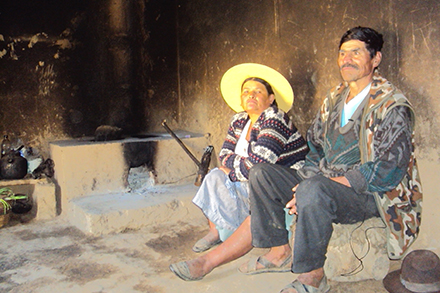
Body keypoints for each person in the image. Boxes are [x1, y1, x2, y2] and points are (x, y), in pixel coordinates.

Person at [248, 26, 423, 293]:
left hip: (371, 194)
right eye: (342, 53)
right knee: (261, 174)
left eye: (356, 52)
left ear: (375, 59)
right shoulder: (334, 99)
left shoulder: (391, 105)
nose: (346, 59)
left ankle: (313, 275)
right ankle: (279, 250)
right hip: (326, 182)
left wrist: (321, 185)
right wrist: (306, 180)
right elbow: (315, 146)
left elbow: (390, 169)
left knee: (314, 189)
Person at [169, 63, 308, 280]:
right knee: (215, 174)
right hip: (252, 180)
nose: (250, 95)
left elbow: (259, 164)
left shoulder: (275, 118)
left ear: (271, 98)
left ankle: (205, 264)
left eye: (257, 91)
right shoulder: (239, 120)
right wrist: (236, 166)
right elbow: (224, 154)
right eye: (246, 92)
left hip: (282, 184)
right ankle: (216, 231)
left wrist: (234, 168)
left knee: (251, 173)